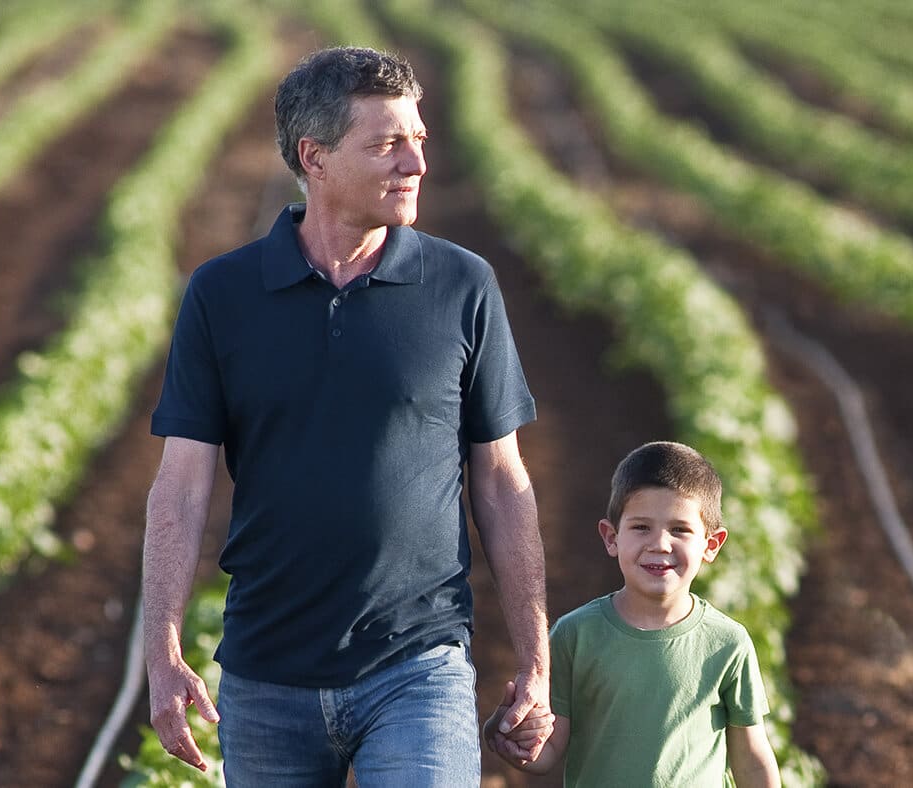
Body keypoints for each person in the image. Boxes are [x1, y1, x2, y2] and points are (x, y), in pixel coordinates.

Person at [140, 46, 551, 784]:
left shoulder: (462, 285)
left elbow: (501, 480)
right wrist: (163, 657)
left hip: (417, 666)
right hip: (265, 679)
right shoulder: (223, 295)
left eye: (418, 141)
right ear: (316, 157)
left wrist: (535, 662)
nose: (415, 164)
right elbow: (180, 487)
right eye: (387, 144)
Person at [485, 441, 783, 787]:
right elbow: (549, 749)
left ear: (711, 544)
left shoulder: (727, 643)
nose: (659, 543)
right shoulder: (575, 636)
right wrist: (511, 736)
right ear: (611, 537)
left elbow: (751, 757)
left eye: (680, 530)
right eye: (641, 527)